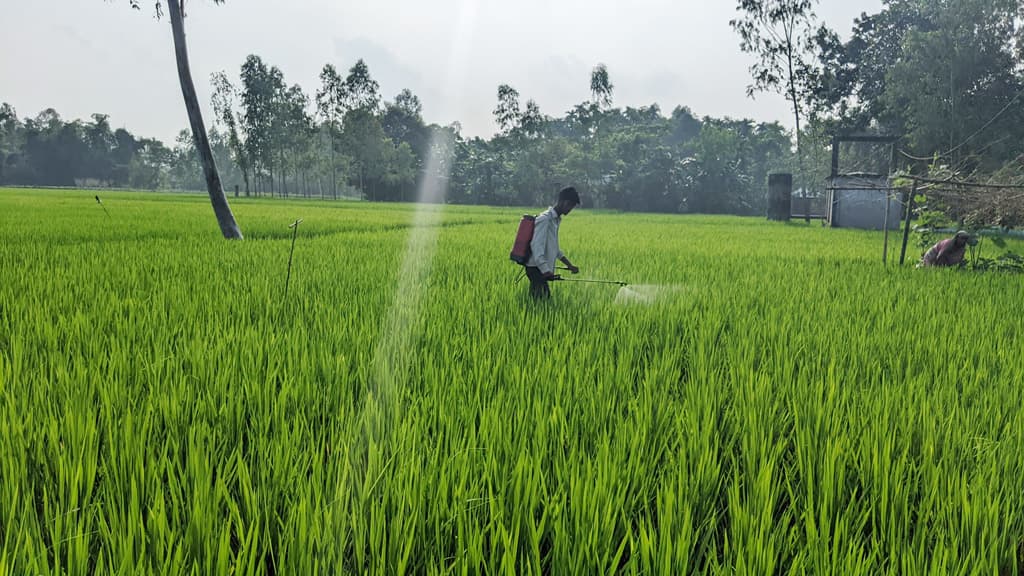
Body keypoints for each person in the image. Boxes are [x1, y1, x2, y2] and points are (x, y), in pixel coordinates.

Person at [525, 186, 581, 299]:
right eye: (570, 205)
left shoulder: (555, 220)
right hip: (535, 268)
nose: (570, 209)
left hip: (539, 268)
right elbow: (537, 247)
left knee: (538, 301)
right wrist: (546, 271)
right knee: (543, 300)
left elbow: (554, 248)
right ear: (563, 202)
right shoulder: (545, 219)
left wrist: (569, 265)